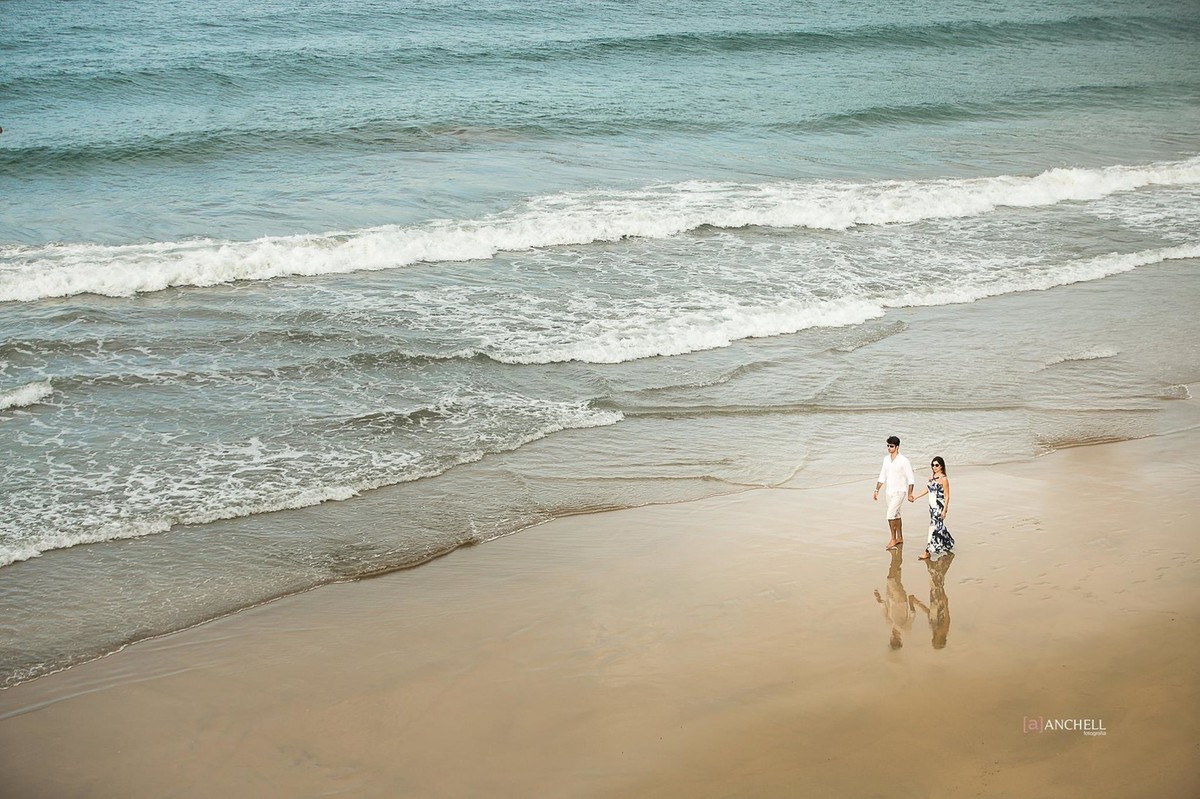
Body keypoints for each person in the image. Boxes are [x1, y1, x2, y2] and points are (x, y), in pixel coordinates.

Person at [872, 436, 914, 550]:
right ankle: (900, 537)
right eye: (888, 446)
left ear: (897, 447)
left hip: (900, 492)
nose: (889, 448)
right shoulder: (886, 459)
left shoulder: (904, 461)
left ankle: (893, 539)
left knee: (890, 515)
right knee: (897, 514)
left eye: (891, 446)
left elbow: (911, 479)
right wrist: (876, 490)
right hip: (889, 492)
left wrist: (910, 494)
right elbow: (882, 475)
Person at [911, 455, 954, 560]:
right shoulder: (931, 477)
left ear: (941, 466)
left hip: (939, 507)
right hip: (931, 507)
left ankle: (927, 551)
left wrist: (944, 510)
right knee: (938, 527)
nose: (934, 467)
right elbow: (927, 489)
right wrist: (915, 496)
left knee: (933, 528)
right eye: (933, 465)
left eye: (936, 465)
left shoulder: (944, 479)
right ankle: (948, 542)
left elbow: (947, 496)